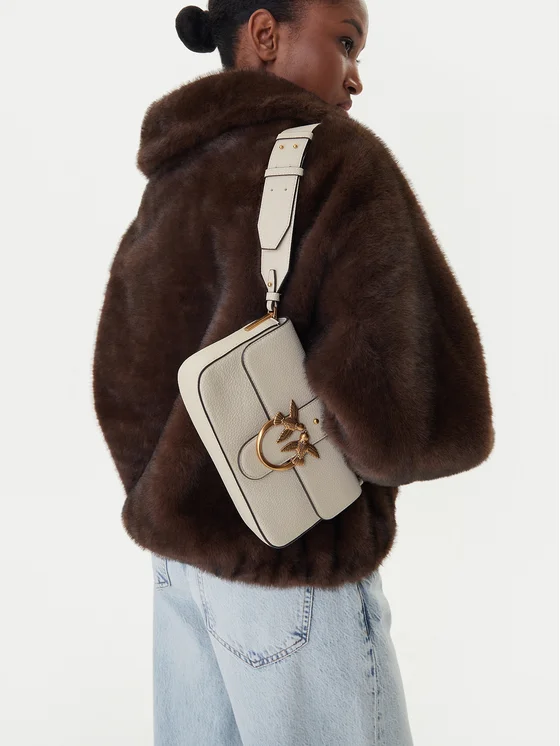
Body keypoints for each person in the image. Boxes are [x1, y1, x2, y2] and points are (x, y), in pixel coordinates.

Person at [92, 1, 495, 744]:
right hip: (297, 564)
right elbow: (392, 423)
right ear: (265, 34)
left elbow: (121, 374)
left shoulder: (174, 173)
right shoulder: (338, 161)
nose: (356, 76)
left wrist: (178, 488)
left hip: (181, 573)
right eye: (345, 41)